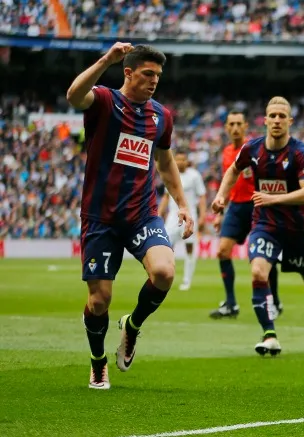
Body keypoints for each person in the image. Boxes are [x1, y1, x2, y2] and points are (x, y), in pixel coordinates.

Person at [66, 42, 194, 390]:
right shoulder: (106, 101)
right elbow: (74, 95)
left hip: (141, 214)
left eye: (158, 76)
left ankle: (132, 326)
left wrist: (181, 203)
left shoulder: (161, 116)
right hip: (100, 217)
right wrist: (107, 58)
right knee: (98, 300)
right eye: (147, 74)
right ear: (128, 72)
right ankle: (97, 362)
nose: (154, 81)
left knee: (165, 272)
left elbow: (165, 161)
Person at [212, 97, 304, 356]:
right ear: (266, 120)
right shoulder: (252, 149)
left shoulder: (300, 152)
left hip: (296, 228)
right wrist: (221, 197)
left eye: (283, 116)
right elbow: (233, 171)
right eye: (273, 116)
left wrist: (273, 198)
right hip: (265, 224)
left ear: (290, 121)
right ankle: (269, 335)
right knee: (259, 272)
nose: (278, 120)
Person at [210, 110, 282, 319]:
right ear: (226, 127)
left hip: (256, 205)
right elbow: (229, 182)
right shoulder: (225, 153)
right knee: (223, 251)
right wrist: (220, 212)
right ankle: (231, 304)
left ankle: (274, 301)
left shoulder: (255, 149)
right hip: (235, 207)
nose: (234, 128)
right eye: (231, 124)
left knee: (264, 255)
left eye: (238, 124)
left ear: (245, 126)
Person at [158, 150, 206, 291]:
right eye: (177, 159)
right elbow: (167, 196)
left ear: (187, 161)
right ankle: (166, 277)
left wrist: (202, 215)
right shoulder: (172, 174)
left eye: (182, 159)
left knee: (189, 248)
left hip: (190, 216)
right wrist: (160, 212)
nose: (179, 162)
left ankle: (187, 280)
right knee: (166, 247)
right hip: (173, 216)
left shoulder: (194, 176)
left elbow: (202, 197)